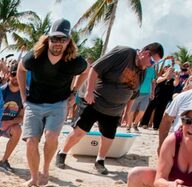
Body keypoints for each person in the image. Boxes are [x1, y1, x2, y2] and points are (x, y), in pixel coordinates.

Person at [56, 42, 160, 175]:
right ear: (145, 53)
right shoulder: (124, 52)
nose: (151, 65)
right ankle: (62, 153)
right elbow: (95, 69)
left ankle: (100, 161)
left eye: (154, 63)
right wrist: (89, 91)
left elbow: (134, 93)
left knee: (108, 136)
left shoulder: (143, 70)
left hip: (115, 109)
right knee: (80, 131)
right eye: (152, 61)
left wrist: (127, 111)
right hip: (95, 101)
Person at [17, 18, 87, 186]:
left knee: (51, 136)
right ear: (47, 39)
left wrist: (74, 92)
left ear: (68, 41)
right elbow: (20, 69)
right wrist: (23, 97)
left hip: (58, 103)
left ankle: (46, 169)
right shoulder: (34, 56)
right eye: (54, 38)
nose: (58, 43)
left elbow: (86, 71)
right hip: (33, 102)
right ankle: (34, 177)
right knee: (31, 141)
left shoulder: (75, 61)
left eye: (62, 39)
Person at [0, 62, 24, 172]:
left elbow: (21, 117)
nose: (16, 78)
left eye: (19, 75)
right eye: (13, 74)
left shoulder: (24, 94)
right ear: (8, 75)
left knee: (18, 130)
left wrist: (8, 123)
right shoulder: (1, 91)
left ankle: (4, 161)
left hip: (9, 126)